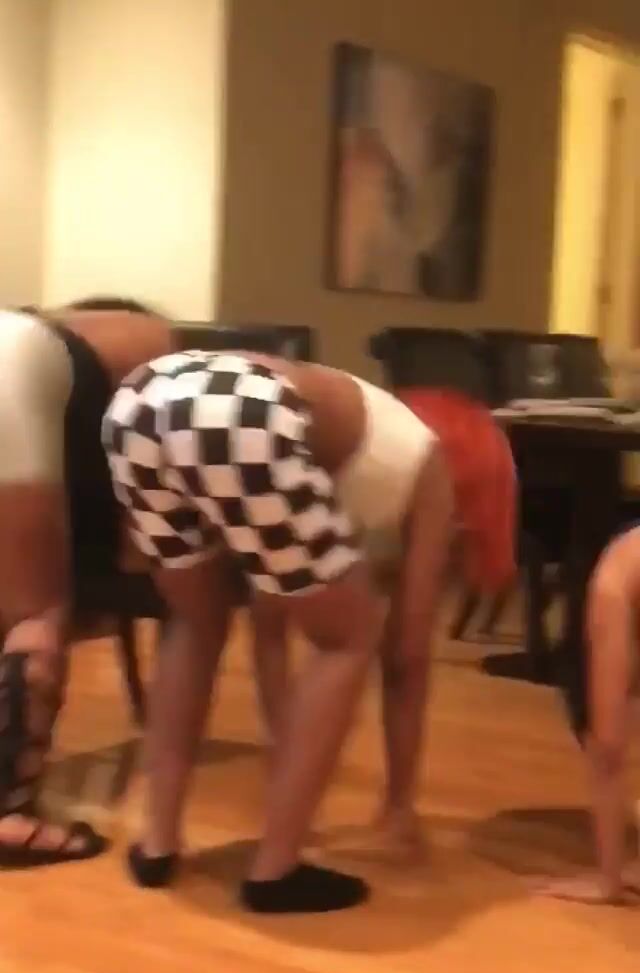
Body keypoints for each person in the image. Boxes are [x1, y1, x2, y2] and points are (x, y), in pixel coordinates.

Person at [102, 354, 516, 912]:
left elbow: (270, 625)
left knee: (194, 622)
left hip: (139, 403)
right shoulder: (432, 467)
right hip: (238, 411)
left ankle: (158, 844)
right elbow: (408, 654)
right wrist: (398, 803)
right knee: (351, 635)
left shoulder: (354, 440)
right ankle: (276, 870)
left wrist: (287, 750)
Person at [251, 384, 518, 859]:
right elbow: (272, 627)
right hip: (351, 480)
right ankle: (366, 807)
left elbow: (406, 654)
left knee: (397, 652)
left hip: (389, 475)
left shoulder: (411, 469)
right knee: (319, 633)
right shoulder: (345, 468)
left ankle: (390, 810)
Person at [0, 299, 173, 866]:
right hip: (9, 376)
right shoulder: (151, 339)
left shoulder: (66, 329)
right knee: (34, 614)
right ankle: (8, 812)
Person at [537, 526, 640, 905]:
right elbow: (608, 746)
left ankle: (610, 879)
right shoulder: (614, 581)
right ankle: (610, 878)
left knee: (608, 742)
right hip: (619, 584)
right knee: (607, 739)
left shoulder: (615, 579)